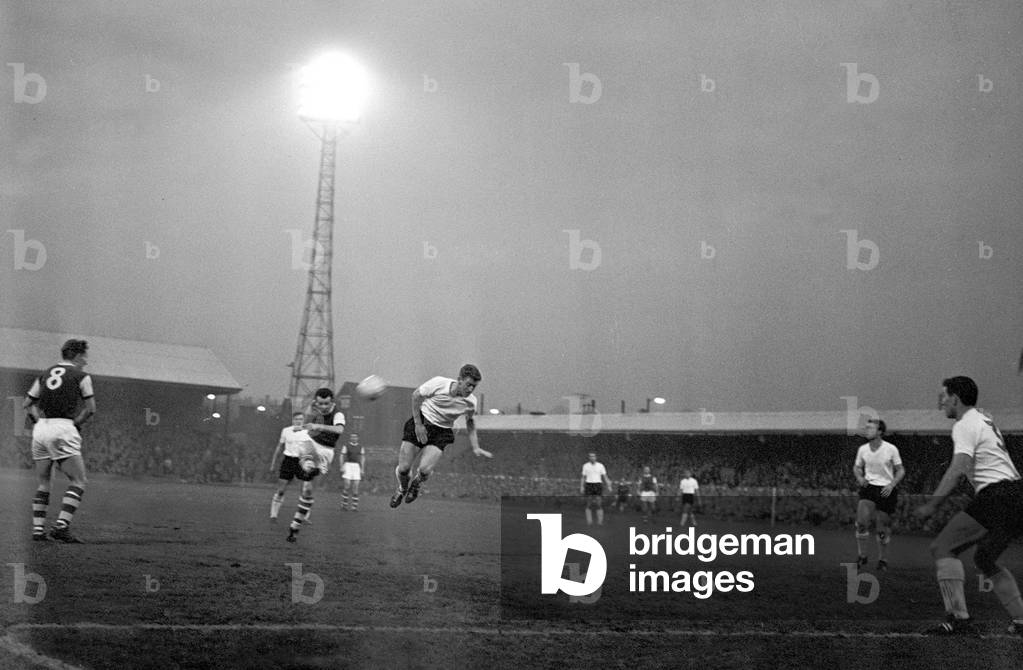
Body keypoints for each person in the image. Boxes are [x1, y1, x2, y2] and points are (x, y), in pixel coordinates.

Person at [915, 376, 1023, 635]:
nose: (940, 402)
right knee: (985, 558)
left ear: (956, 397)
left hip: (998, 494)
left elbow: (958, 468)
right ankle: (1021, 618)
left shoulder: (964, 424)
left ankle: (958, 618)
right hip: (1016, 493)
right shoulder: (984, 420)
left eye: (943, 396)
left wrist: (932, 506)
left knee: (943, 547)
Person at [22, 339, 95, 543]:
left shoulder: (45, 373)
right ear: (77, 355)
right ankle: (61, 526)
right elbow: (91, 409)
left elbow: (28, 403)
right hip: (63, 427)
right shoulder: (81, 376)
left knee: (44, 482)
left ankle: (38, 530)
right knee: (79, 480)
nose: (86, 361)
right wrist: (76, 424)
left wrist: (38, 421)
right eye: (85, 356)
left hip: (41, 429)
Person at [390, 364, 491, 508]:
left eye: (474, 387)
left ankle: (417, 484)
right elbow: (416, 396)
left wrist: (476, 447)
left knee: (425, 470)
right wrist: (419, 425)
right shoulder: (439, 384)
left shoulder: (471, 402)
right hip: (422, 420)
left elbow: (470, 422)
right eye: (468, 385)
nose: (470, 389)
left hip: (441, 431)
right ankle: (402, 489)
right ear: (459, 380)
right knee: (404, 469)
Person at [286, 388, 345, 542]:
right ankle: (307, 468)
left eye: (326, 403)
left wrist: (319, 426)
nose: (323, 406)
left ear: (332, 401)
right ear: (316, 401)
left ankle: (295, 526)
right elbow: (307, 422)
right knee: (308, 466)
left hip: (326, 451)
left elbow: (339, 429)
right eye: (320, 403)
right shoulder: (313, 408)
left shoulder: (338, 414)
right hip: (310, 443)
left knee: (307, 491)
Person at [853, 418, 905, 570]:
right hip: (869, 488)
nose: (866, 430)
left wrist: (892, 484)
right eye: (866, 427)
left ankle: (882, 559)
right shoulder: (863, 449)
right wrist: (860, 477)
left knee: (882, 529)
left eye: (870, 428)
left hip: (886, 490)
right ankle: (862, 556)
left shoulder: (891, 449)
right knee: (861, 523)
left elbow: (900, 469)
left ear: (880, 432)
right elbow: (856, 467)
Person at [269, 412, 312, 520]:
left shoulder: (307, 432)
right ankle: (273, 514)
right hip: (288, 460)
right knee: (281, 490)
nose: (299, 421)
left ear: (303, 420)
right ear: (293, 420)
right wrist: (273, 462)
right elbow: (279, 447)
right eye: (297, 419)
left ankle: (305, 516)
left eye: (301, 419)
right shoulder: (286, 431)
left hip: (301, 461)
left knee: (305, 489)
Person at [580, 452, 611, 526]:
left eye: (593, 456)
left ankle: (600, 522)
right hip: (589, 485)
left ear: (596, 457)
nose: (592, 458)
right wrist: (582, 486)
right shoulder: (585, 466)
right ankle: (589, 521)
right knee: (589, 503)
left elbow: (605, 476)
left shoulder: (600, 466)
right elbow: (583, 477)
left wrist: (609, 485)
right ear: (589, 457)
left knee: (599, 503)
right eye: (590, 456)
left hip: (598, 485)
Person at [339, 433, 365, 511]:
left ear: (357, 438)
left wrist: (362, 469)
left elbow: (363, 458)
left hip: (356, 467)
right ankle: (344, 505)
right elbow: (341, 456)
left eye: (355, 437)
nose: (354, 438)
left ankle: (354, 507)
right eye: (352, 437)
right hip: (348, 466)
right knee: (347, 485)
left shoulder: (360, 447)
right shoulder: (346, 446)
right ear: (350, 438)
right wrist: (341, 466)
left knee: (356, 487)